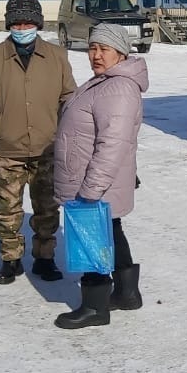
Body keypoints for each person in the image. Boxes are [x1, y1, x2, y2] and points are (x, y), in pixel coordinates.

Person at [0, 0, 76, 286]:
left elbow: (68, 97)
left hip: (47, 147)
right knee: (8, 209)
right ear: (9, 25)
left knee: (47, 208)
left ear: (38, 24)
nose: (22, 29)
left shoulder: (56, 56)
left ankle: (45, 258)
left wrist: (63, 132)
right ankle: (11, 259)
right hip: (8, 149)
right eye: (16, 24)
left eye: (28, 24)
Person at [52, 23, 148, 330]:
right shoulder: (105, 82)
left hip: (94, 181)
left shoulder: (117, 87)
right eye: (92, 48)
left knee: (91, 238)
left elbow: (113, 143)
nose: (95, 55)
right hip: (94, 177)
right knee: (112, 229)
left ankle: (95, 306)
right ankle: (126, 293)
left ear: (120, 52)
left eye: (103, 49)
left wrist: (91, 189)